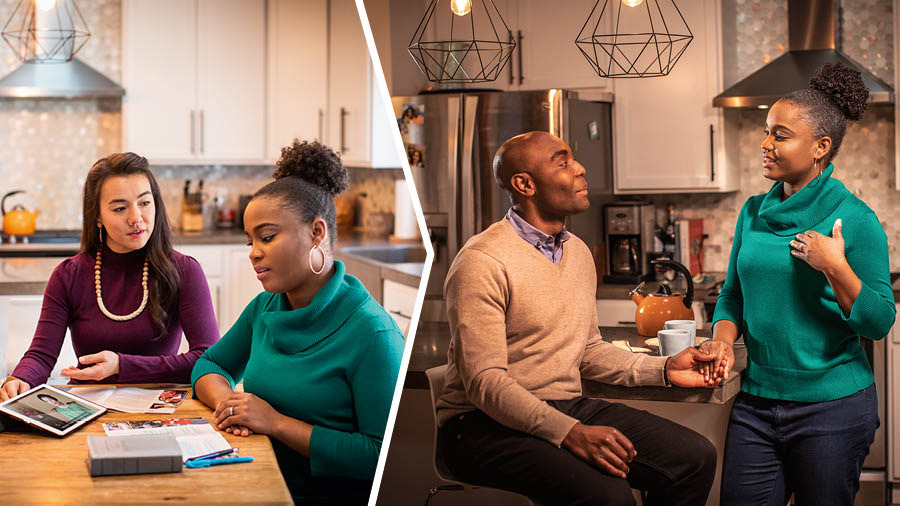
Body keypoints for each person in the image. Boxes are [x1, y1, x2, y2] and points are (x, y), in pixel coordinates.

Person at [437, 131, 720, 506]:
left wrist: (665, 369)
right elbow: (486, 385)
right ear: (525, 184)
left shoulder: (578, 252)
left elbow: (587, 350)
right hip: (479, 427)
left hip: (564, 405)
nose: (581, 169)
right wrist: (570, 432)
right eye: (564, 162)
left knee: (694, 458)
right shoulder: (482, 261)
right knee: (609, 497)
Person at [704, 63, 896, 505]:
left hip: (833, 409)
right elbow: (732, 294)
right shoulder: (752, 212)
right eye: (767, 131)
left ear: (820, 147)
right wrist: (721, 340)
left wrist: (835, 266)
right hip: (755, 402)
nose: (765, 144)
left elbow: (880, 322)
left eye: (780, 135)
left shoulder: (857, 221)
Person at [191, 139, 404, 505]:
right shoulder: (266, 308)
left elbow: (380, 455)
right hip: (261, 480)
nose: (255, 253)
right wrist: (229, 403)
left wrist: (274, 422)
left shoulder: (372, 333)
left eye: (268, 237)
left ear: (316, 233)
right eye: (250, 242)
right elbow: (209, 364)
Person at [0, 153, 220, 401]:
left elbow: (207, 359)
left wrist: (121, 366)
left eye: (144, 203)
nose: (136, 217)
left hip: (160, 404)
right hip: (86, 404)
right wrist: (20, 379)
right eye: (119, 208)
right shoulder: (68, 275)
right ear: (97, 217)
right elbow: (41, 355)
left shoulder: (184, 270)